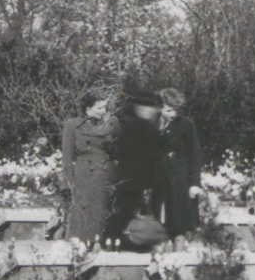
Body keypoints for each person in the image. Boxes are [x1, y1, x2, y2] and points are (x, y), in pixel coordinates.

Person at [107, 90, 167, 247]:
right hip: (133, 180)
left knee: (127, 213)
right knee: (126, 212)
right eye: (148, 107)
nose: (151, 111)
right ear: (139, 108)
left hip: (135, 180)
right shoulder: (136, 128)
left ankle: (121, 241)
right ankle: (119, 242)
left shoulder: (146, 127)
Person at [61, 94, 118, 244]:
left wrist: (113, 149)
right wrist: (66, 184)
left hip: (106, 174)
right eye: (99, 108)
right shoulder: (72, 125)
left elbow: (122, 150)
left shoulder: (112, 124)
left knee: (103, 213)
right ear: (88, 108)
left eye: (105, 108)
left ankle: (102, 246)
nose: (103, 111)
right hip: (85, 174)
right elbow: (67, 157)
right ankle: (79, 247)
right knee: (83, 212)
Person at [156, 87, 204, 242]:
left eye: (176, 110)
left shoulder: (186, 124)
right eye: (169, 110)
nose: (173, 114)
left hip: (180, 181)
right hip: (158, 181)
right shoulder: (152, 124)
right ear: (159, 108)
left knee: (179, 225)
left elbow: (195, 154)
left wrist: (195, 183)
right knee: (157, 225)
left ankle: (178, 256)